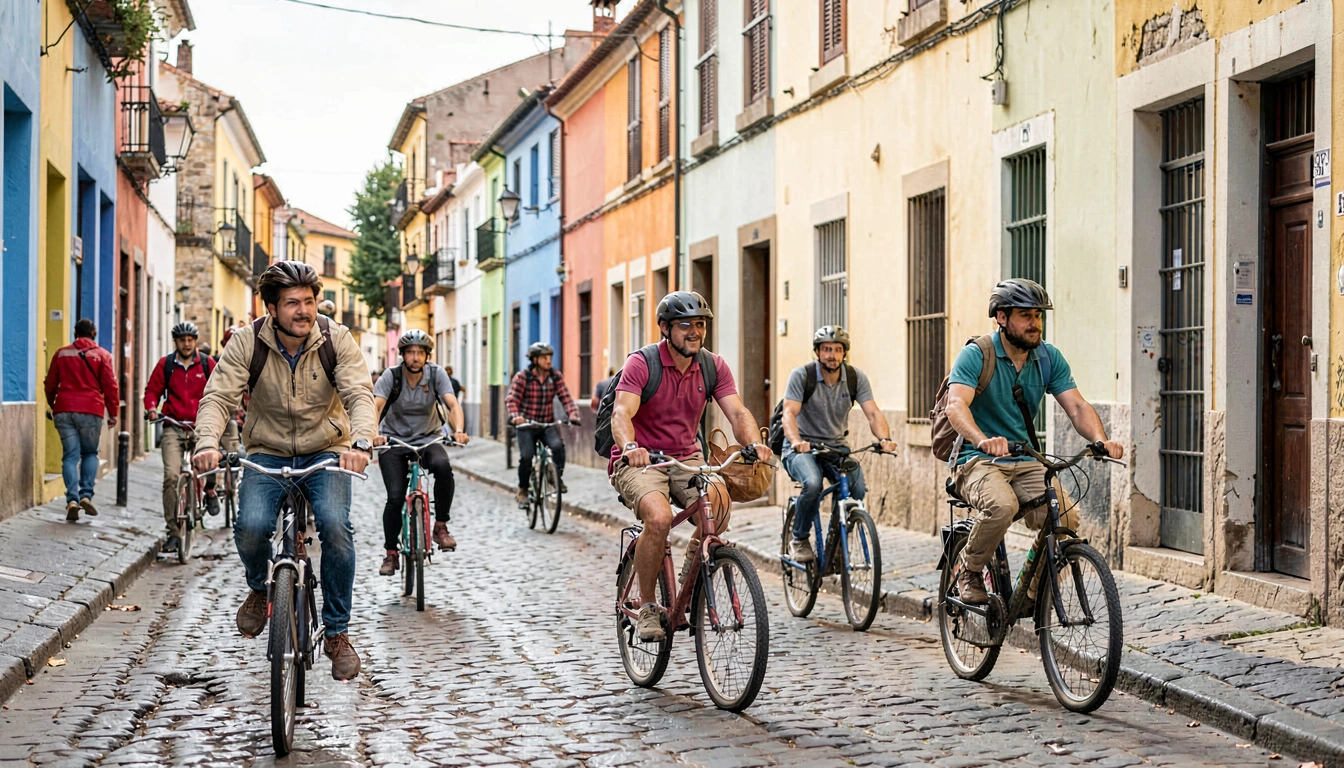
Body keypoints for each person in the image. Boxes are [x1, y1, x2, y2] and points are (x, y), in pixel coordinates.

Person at [191, 261, 376, 681]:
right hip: (267, 452)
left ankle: (337, 632)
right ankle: (260, 588)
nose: (303, 311)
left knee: (335, 527)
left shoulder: (335, 338)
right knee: (251, 526)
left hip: (326, 451)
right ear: (271, 307)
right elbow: (218, 396)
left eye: (309, 301)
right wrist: (206, 443)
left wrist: (361, 442)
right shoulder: (247, 341)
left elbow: (359, 393)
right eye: (292, 303)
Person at [944, 279, 1124, 604]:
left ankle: (1030, 594)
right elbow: (956, 405)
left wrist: (1100, 439)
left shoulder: (1047, 357)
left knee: (1065, 515)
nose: (1035, 324)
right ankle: (968, 570)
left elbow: (1078, 406)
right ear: (1001, 317)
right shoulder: (977, 355)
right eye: (1026, 315)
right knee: (1001, 506)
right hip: (977, 459)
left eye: (1039, 316)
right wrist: (983, 440)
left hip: (1024, 458)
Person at [609, 291, 773, 642]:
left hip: (686, 457)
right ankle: (650, 606)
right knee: (659, 518)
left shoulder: (713, 365)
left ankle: (687, 580)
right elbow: (621, 412)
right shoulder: (643, 363)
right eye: (685, 325)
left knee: (720, 503)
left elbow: (738, 412)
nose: (695, 331)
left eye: (700, 324)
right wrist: (629, 446)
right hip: (641, 458)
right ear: (666, 329)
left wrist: (751, 444)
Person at [780, 326, 898, 563]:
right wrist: (796, 442)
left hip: (835, 448)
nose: (831, 355)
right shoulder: (802, 376)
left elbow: (873, 413)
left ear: (845, 353)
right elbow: (788, 413)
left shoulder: (855, 378)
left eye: (837, 350)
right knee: (812, 484)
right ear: (817, 352)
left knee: (856, 489)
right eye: (826, 349)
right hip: (803, 447)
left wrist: (884, 439)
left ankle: (837, 541)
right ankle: (799, 538)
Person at [372, 329, 470, 575]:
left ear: (427, 356)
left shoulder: (436, 374)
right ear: (402, 355)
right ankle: (391, 553)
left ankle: (440, 526)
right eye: (410, 352)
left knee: (444, 468)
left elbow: (452, 403)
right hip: (393, 441)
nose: (415, 357)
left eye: (420, 353)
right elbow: (376, 406)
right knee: (395, 497)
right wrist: (373, 433)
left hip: (428, 439)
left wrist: (458, 429)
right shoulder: (391, 376)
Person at [143, 322, 236, 552]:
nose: (186, 343)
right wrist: (152, 407)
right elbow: (152, 391)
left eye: (190, 339)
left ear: (195, 341)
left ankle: (210, 489)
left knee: (211, 463)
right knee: (171, 476)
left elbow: (221, 388)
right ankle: (174, 532)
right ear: (175, 341)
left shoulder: (206, 363)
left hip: (201, 426)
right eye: (182, 339)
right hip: (173, 426)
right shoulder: (166, 365)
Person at [43, 318, 119, 522]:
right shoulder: (103, 355)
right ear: (93, 333)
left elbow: (50, 383)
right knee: (90, 453)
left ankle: (72, 500)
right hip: (91, 410)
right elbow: (111, 387)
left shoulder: (62, 353)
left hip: (64, 409)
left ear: (75, 333)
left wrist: (53, 404)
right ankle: (86, 495)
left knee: (70, 456)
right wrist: (113, 413)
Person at [506, 342, 581, 506]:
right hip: (526, 425)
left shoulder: (555, 376)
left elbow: (565, 398)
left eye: (549, 357)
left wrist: (573, 414)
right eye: (544, 358)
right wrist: (516, 416)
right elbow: (512, 400)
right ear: (534, 360)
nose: (548, 361)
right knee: (526, 456)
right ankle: (523, 489)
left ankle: (556, 478)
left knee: (558, 447)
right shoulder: (523, 377)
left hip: (547, 424)